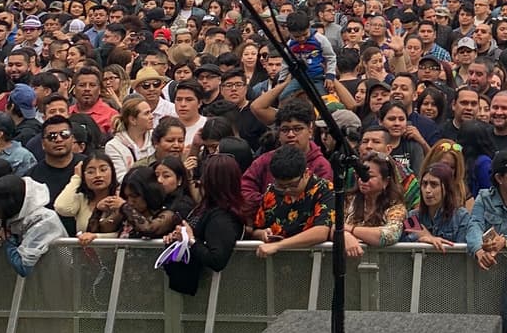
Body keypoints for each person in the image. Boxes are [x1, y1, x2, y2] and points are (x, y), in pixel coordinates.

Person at [163, 154, 248, 295]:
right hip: (199, 290)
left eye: (203, 177)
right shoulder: (206, 207)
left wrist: (191, 240)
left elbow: (217, 260)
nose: (199, 182)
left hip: (215, 294)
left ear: (213, 182)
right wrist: (178, 237)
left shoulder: (223, 217)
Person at [247, 144, 336, 257]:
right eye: (281, 186)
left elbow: (321, 232)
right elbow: (256, 229)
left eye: (293, 185)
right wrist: (262, 234)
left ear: (306, 173)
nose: (287, 190)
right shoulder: (272, 191)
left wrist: (278, 245)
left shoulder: (325, 189)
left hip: (313, 258)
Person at [0, 173, 63, 277]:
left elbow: (23, 266)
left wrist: (8, 239)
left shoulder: (43, 221)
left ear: (8, 202)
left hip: (53, 279)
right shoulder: (17, 217)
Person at [341, 154, 407, 256]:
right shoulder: (348, 201)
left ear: (386, 181)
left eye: (370, 176)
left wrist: (351, 230)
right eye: (361, 175)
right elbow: (331, 227)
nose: (363, 180)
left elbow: (389, 235)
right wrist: (345, 235)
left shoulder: (396, 208)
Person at [401, 161, 472, 251]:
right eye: (424, 184)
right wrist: (422, 239)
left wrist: (429, 237)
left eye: (434, 184)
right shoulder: (412, 217)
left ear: (447, 188)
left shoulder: (461, 217)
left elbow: (460, 254)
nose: (427, 190)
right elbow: (403, 253)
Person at [54, 151, 123, 242]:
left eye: (103, 170)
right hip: (85, 250)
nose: (98, 175)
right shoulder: (82, 199)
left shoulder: (122, 198)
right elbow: (61, 207)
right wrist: (76, 178)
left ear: (112, 172)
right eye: (90, 172)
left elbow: (125, 234)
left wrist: (96, 237)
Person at [105, 95, 154, 181]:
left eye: (150, 112)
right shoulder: (113, 146)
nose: (152, 116)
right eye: (146, 113)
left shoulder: (157, 138)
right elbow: (121, 178)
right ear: (132, 120)